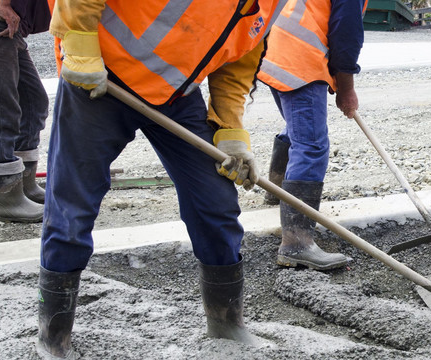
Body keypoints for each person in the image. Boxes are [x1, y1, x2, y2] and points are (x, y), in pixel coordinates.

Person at [35, 0, 282, 358]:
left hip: (176, 95)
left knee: (215, 204)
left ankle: (227, 323)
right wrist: (80, 42)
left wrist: (228, 126)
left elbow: (240, 53)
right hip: (101, 75)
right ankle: (53, 336)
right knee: (72, 209)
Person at [257, 0, 367, 271]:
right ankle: (297, 244)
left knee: (297, 129)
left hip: (273, 49)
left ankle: (278, 194)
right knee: (311, 145)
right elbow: (346, 34)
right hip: (298, 58)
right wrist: (346, 87)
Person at [0, 0, 51, 222]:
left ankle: (25, 185)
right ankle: (7, 198)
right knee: (0, 109)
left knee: (32, 100)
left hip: (6, 15)